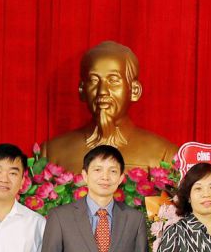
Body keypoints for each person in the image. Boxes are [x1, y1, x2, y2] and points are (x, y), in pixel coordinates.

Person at [43, 41, 179, 173]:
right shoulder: (51, 153)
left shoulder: (164, 155)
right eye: (94, 80)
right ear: (82, 90)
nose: (102, 91)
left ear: (134, 91)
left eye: (113, 80)